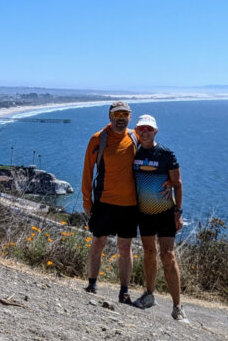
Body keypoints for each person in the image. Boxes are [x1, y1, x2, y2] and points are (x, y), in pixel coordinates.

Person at [131, 114, 188, 322]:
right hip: (144, 213)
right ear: (137, 131)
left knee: (168, 255)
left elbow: (178, 183)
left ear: (155, 131)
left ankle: (178, 306)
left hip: (165, 213)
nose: (145, 132)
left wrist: (178, 212)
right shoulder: (133, 153)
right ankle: (149, 295)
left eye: (149, 129)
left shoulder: (166, 154)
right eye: (141, 129)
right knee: (148, 253)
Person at [81, 101, 138, 304]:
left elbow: (151, 161)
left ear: (130, 117)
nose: (121, 118)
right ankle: (92, 284)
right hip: (104, 201)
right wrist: (87, 200)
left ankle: (124, 291)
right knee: (98, 243)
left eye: (125, 114)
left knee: (125, 248)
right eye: (117, 114)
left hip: (130, 204)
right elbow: (88, 171)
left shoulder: (135, 137)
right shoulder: (98, 139)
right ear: (110, 116)